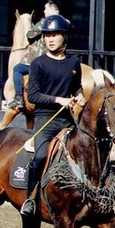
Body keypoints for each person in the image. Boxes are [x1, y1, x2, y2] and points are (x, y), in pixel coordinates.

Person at [19, 13, 84, 216]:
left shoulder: (74, 63)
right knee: (39, 156)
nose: (50, 39)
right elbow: (34, 95)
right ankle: (30, 199)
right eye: (47, 35)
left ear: (64, 36)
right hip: (45, 119)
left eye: (54, 34)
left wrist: (80, 96)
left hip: (67, 119)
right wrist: (59, 100)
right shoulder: (38, 64)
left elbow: (77, 87)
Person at [7, 0, 61, 110]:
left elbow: (30, 35)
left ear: (51, 9)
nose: (44, 11)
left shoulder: (45, 22)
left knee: (17, 69)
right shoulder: (64, 22)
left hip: (40, 57)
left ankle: (18, 98)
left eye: (45, 9)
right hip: (59, 56)